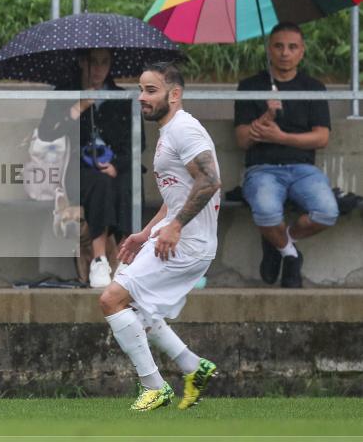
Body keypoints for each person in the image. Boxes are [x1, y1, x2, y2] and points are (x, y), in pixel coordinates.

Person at [100, 62, 221, 412]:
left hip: (188, 244)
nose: (142, 97)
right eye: (140, 89)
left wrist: (176, 227)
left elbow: (210, 181)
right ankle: (192, 366)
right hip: (173, 237)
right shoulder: (169, 131)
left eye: (151, 90)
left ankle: (154, 387)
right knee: (133, 304)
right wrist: (145, 233)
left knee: (112, 300)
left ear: (175, 94)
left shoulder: (184, 130)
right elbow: (176, 197)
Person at [234, 23, 337, 289]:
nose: (285, 53)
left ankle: (278, 242)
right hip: (263, 169)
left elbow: (322, 137)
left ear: (301, 52)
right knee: (267, 212)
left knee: (327, 212)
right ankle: (290, 254)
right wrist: (266, 116)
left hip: (303, 169)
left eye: (292, 47)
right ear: (270, 50)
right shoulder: (250, 86)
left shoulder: (313, 87)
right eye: (278, 46)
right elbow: (243, 140)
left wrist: (283, 137)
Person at [37, 49, 141, 288]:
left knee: (128, 183)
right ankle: (99, 259)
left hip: (114, 166)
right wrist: (79, 107)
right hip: (76, 168)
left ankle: (127, 260)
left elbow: (137, 144)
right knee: (99, 182)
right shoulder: (64, 93)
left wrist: (116, 165)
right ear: (82, 62)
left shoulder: (119, 97)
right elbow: (47, 133)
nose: (98, 69)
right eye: (93, 62)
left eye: (104, 63)